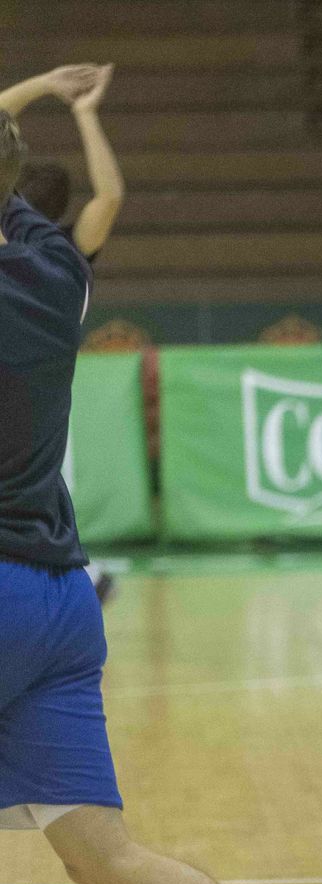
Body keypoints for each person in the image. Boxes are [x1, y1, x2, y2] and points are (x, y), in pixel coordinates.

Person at [0, 112, 322, 884]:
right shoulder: (51, 267)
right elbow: (88, 191)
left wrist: (49, 91)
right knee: (100, 854)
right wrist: (72, 109)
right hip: (60, 601)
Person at [0, 63, 125, 606]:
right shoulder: (65, 263)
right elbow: (111, 196)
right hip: (43, 376)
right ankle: (82, 576)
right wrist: (84, 113)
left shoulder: (59, 255)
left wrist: (45, 86)